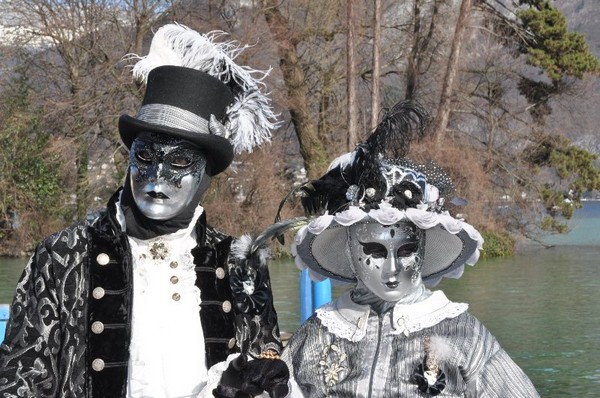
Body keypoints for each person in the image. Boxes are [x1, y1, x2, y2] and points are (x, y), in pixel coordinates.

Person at [0, 24, 288, 398]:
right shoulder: (62, 256)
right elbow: (21, 382)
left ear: (206, 176)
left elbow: (264, 361)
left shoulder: (240, 265)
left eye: (181, 161)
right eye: (146, 156)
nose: (157, 176)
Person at [279, 101, 540, 397]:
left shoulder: (463, 335)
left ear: (424, 248)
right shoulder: (319, 332)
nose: (393, 269)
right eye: (375, 250)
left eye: (406, 250)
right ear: (350, 249)